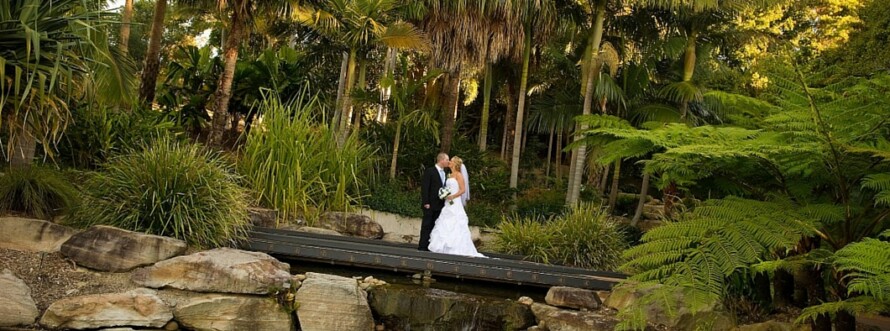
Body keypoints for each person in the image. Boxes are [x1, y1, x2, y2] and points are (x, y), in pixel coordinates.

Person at [427, 156, 485, 258]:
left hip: (455, 202)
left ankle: (456, 248)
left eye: (451, 161)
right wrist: (444, 194)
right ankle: (443, 248)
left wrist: (453, 196)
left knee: (455, 223)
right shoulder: (449, 175)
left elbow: (463, 190)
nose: (449, 162)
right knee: (445, 222)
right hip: (448, 202)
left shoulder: (459, 175)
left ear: (456, 164)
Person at [419, 153, 450, 251]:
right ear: (441, 160)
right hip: (430, 204)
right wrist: (426, 202)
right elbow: (425, 187)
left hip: (439, 204)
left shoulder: (444, 173)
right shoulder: (430, 171)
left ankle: (431, 245)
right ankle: (422, 245)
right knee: (427, 224)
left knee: (435, 225)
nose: (448, 162)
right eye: (447, 160)